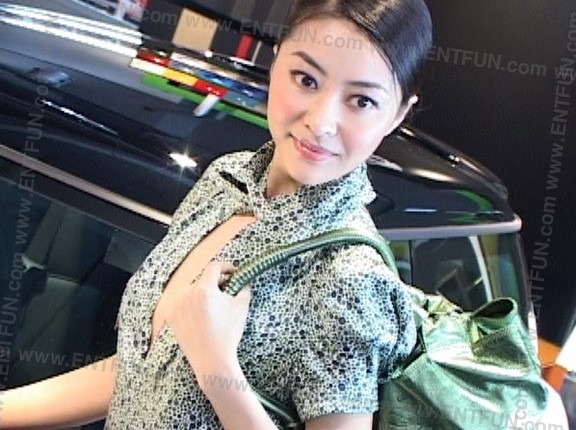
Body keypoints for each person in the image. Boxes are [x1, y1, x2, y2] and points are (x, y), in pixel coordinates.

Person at [0, 0, 432, 428]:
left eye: (361, 101)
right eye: (306, 79)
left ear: (397, 114)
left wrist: (217, 368)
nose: (320, 122)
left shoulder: (351, 280)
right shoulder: (226, 181)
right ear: (276, 60)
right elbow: (138, 375)